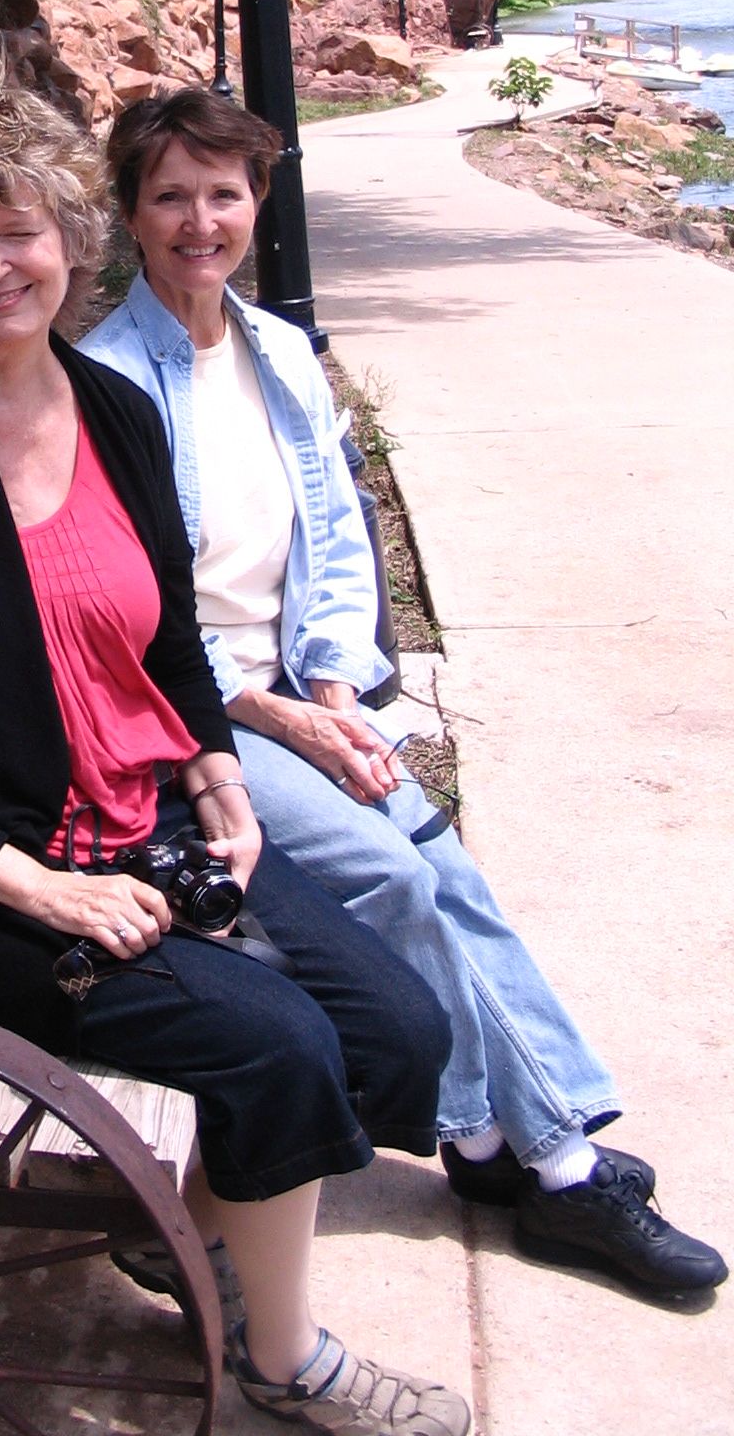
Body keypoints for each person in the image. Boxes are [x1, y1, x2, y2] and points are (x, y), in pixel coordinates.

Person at [0, 75, 471, 1436]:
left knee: (397, 1027)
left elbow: (167, 648)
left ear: (75, 242)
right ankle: (283, 1358)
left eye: (19, 232)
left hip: (135, 823)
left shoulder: (114, 411)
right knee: (275, 1050)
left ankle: (183, 1222)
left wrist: (210, 768)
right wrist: (42, 891)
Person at [82, 84, 727, 1302]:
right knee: (392, 876)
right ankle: (557, 1164)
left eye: (224, 191)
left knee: (442, 852)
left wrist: (334, 682)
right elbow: (128, 615)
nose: (200, 219)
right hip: (194, 717)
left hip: (295, 689)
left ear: (257, 203)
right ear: (130, 213)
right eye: (170, 195)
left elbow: (332, 537)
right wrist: (287, 717)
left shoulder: (274, 349)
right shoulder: (108, 381)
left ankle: (495, 1142)